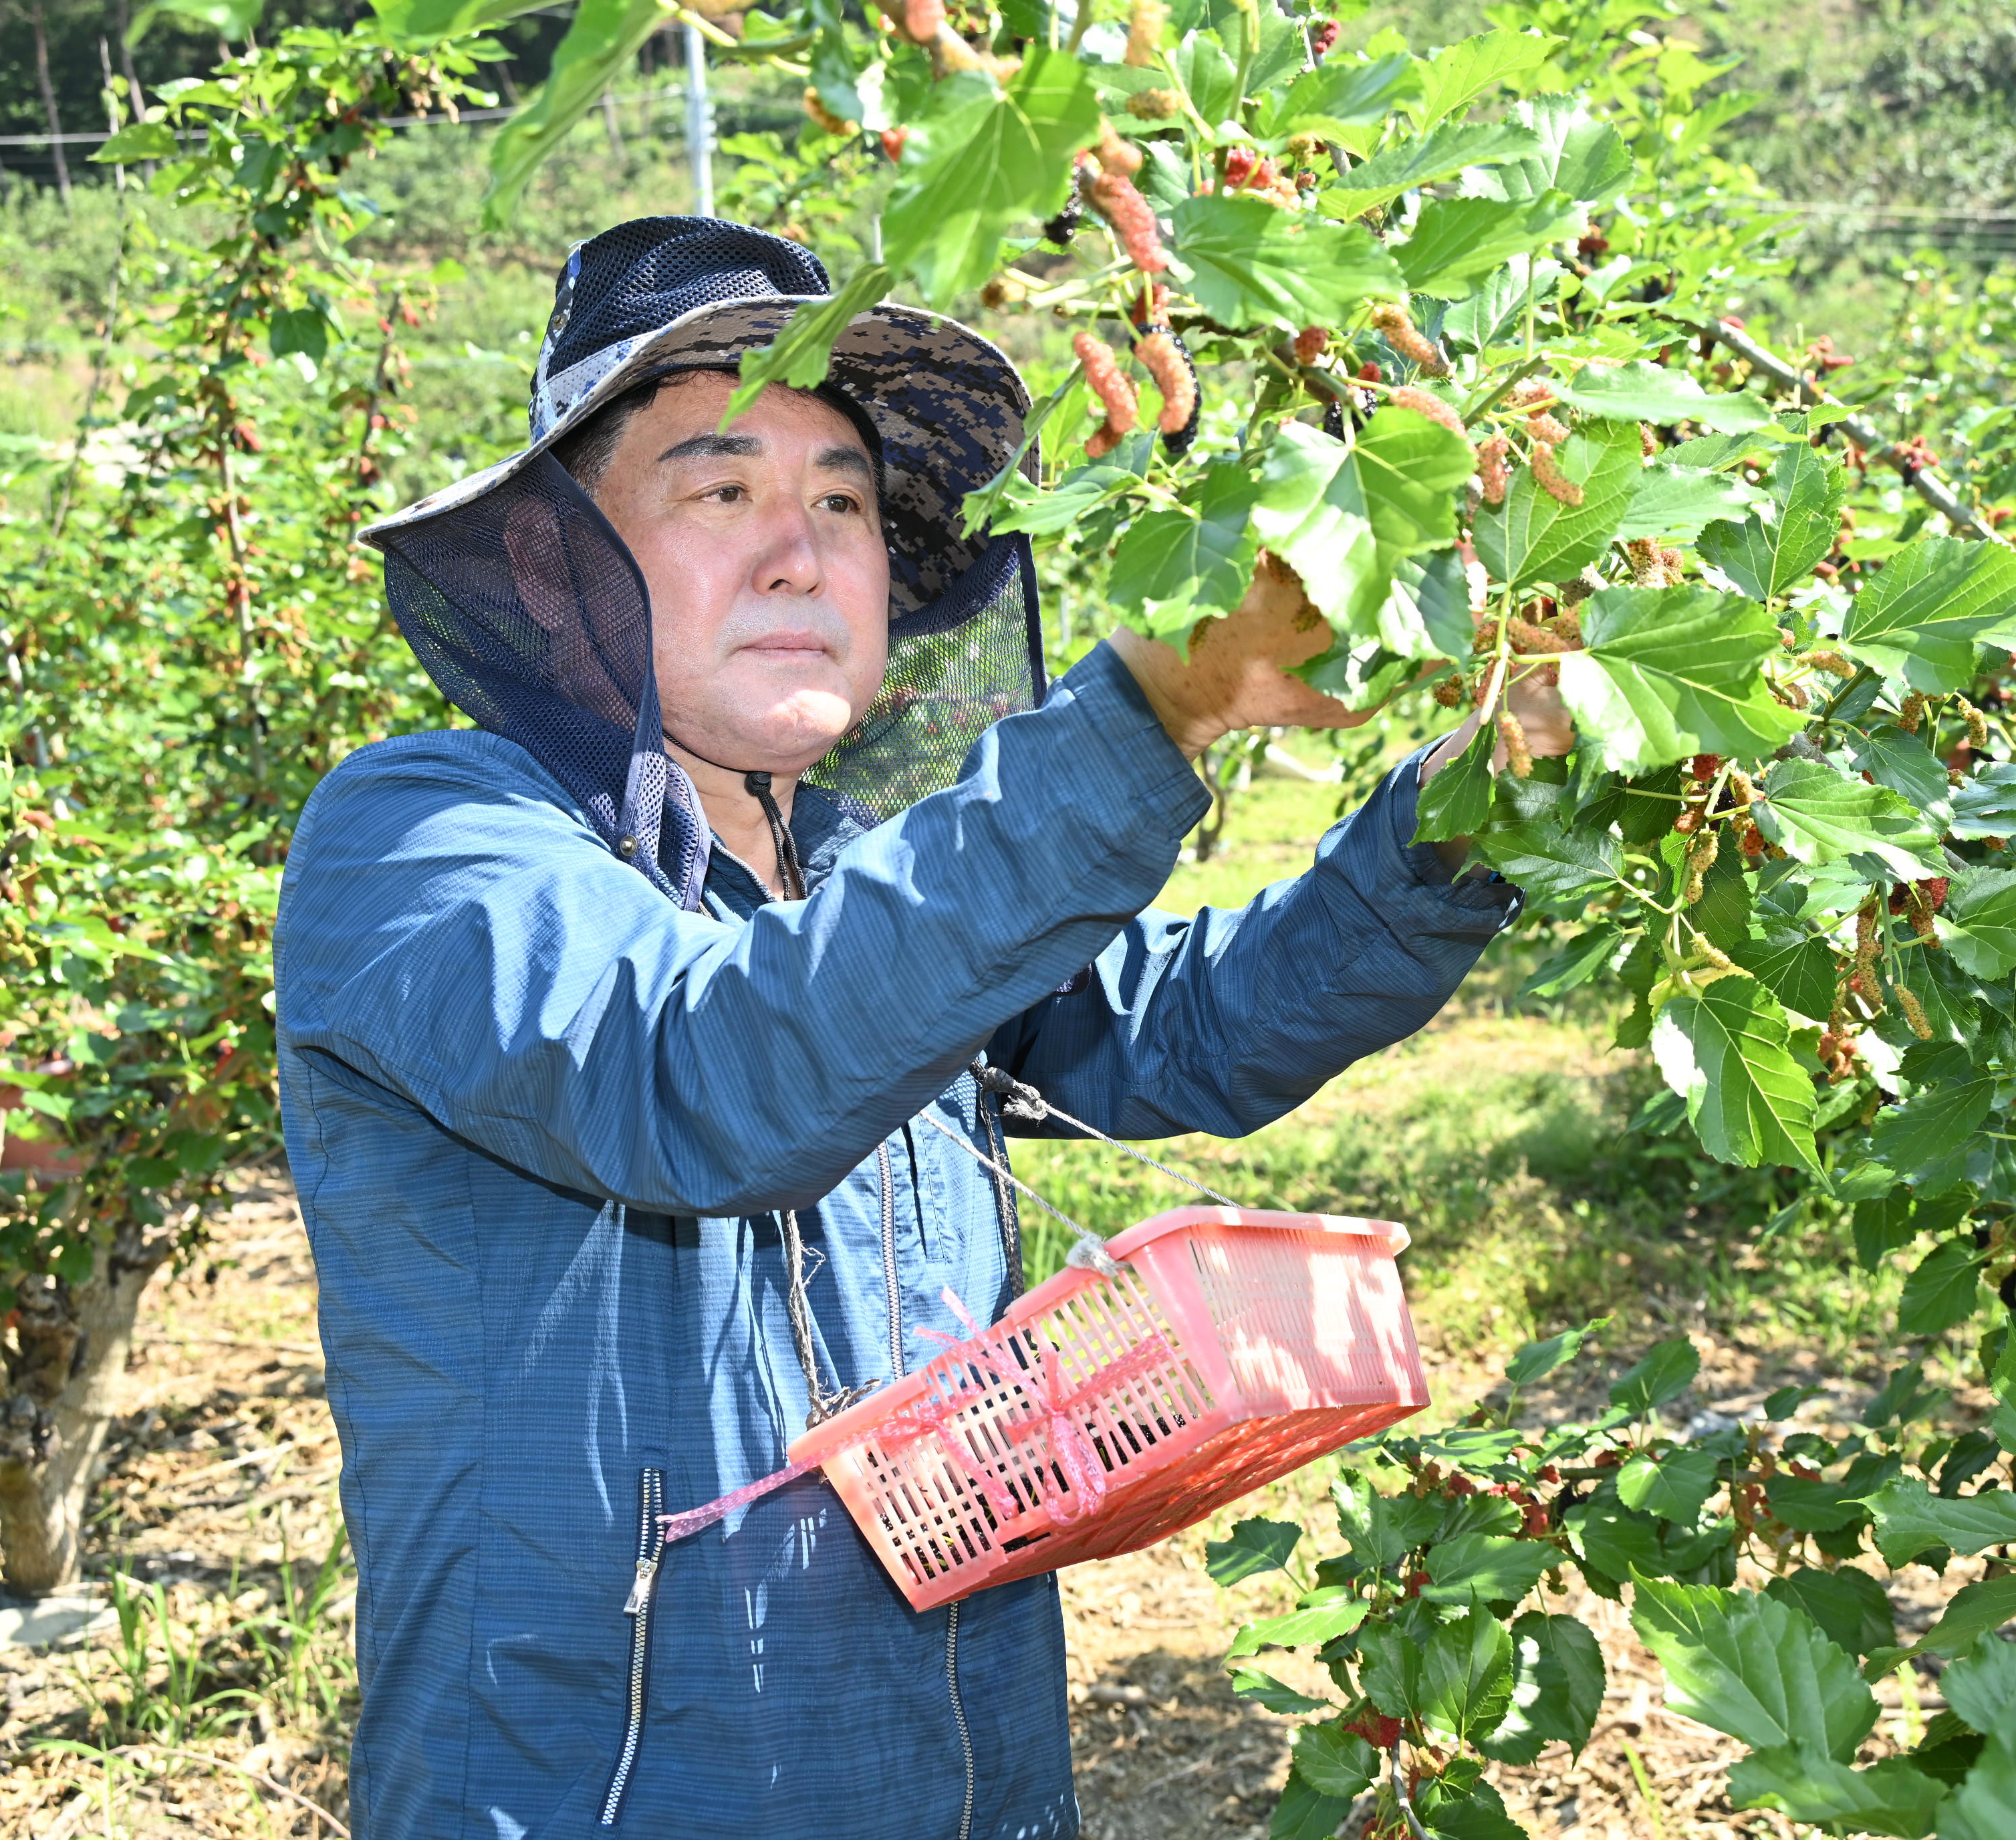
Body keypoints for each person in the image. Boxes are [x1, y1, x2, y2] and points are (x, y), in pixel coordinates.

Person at [273, 217, 1570, 1840]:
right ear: (562, 565)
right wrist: (1155, 704)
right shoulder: (425, 840)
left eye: (842, 501)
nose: (802, 553)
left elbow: (1195, 1028)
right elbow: (703, 1073)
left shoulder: (864, 893)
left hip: (971, 1782)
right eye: (720, 488)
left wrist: (1483, 794)